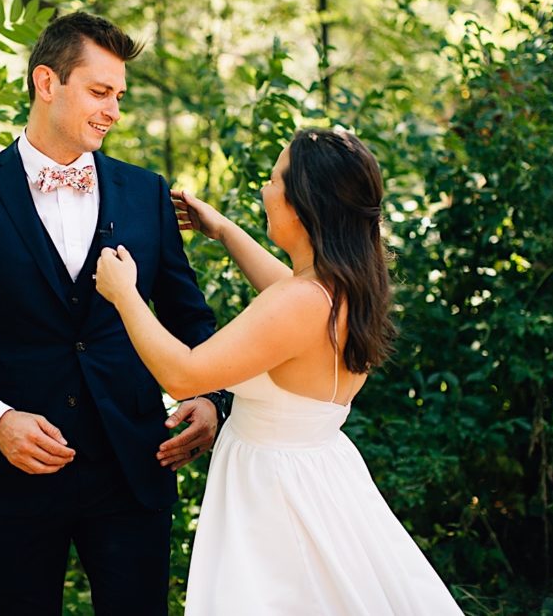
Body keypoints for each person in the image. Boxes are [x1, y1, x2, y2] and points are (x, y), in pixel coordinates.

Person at [0, 11, 227, 616]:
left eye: (120, 96)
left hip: (135, 468)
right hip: (15, 476)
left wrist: (211, 399)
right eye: (100, 91)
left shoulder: (146, 192)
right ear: (46, 83)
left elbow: (191, 318)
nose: (113, 111)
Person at [95, 128, 464, 614]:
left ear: (301, 203)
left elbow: (185, 376)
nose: (265, 190)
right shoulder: (342, 287)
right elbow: (285, 290)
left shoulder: (299, 303)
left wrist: (125, 295)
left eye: (274, 179)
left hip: (274, 497)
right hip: (320, 474)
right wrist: (224, 230)